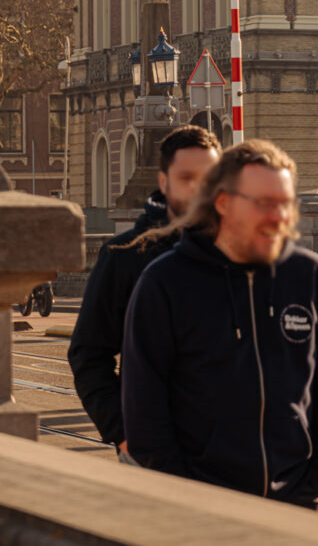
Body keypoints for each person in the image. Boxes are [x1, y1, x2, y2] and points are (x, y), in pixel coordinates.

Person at [121, 138, 318, 509]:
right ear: (223, 202)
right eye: (264, 203)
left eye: (286, 204)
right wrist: (187, 499)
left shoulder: (312, 278)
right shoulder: (165, 284)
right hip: (200, 513)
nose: (279, 216)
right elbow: (145, 414)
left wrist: (316, 484)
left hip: (297, 506)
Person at [68, 124, 220, 456]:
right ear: (164, 182)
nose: (199, 190)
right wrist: (124, 434)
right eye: (187, 178)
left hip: (237, 456)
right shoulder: (124, 256)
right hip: (155, 449)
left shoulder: (240, 252)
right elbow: (88, 354)